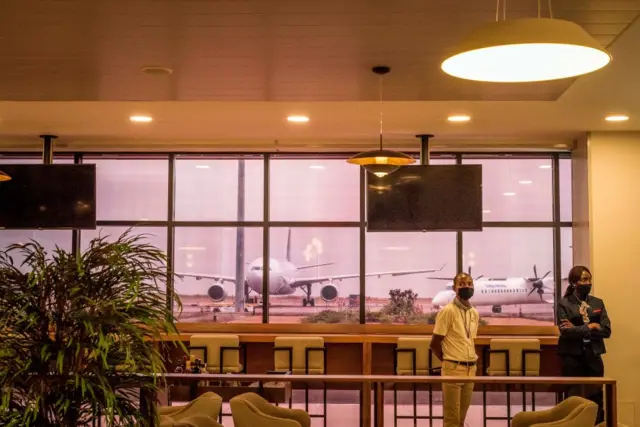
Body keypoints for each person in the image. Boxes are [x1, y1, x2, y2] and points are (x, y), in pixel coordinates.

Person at [557, 265, 611, 424]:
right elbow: (565, 332)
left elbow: (606, 331)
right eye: (584, 279)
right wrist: (589, 327)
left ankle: (597, 424)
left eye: (589, 279)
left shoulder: (597, 303)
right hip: (572, 357)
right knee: (573, 397)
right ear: (574, 282)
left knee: (596, 396)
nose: (588, 282)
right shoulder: (564, 303)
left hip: (593, 355)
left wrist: (577, 329)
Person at [430, 272, 479, 427]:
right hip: (453, 368)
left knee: (461, 419)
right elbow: (435, 343)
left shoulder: (474, 313)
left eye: (470, 284)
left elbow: (470, 340)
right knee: (451, 420)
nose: (467, 287)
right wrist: (448, 361)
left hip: (470, 369)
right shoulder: (447, 311)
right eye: (462, 284)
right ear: (454, 288)